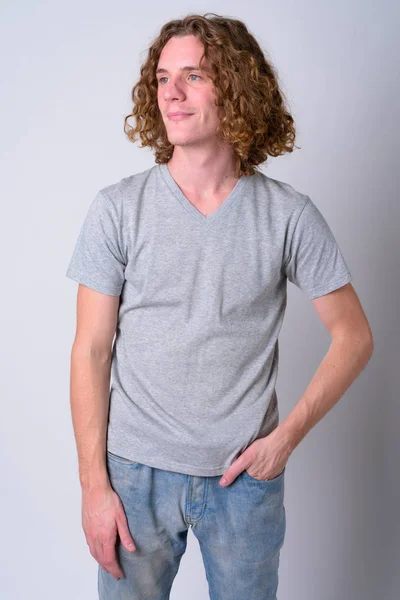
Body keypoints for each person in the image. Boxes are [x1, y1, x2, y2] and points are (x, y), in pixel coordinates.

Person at [65, 13, 374, 600]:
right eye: (161, 78)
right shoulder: (117, 209)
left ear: (236, 90)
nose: (171, 94)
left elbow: (354, 337)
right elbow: (90, 349)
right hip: (134, 475)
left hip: (243, 482)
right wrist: (93, 487)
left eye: (194, 77)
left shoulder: (289, 215)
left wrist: (284, 440)